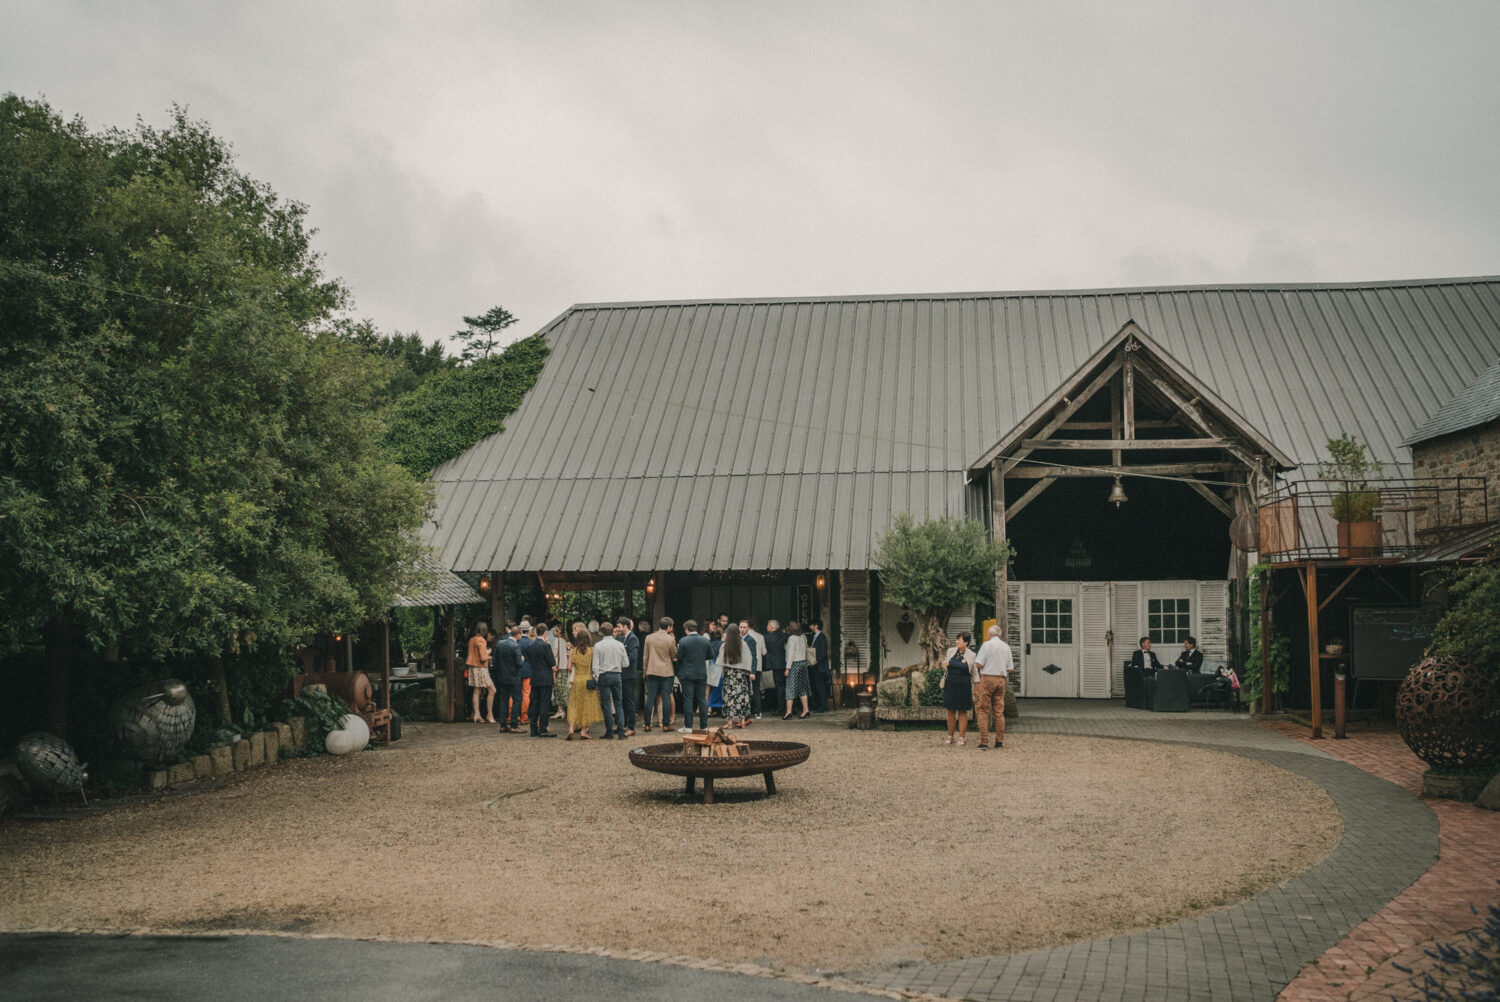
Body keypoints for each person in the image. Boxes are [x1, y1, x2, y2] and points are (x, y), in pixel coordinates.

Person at [974, 624, 1013, 750]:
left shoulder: (986, 645)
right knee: (999, 711)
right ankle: (999, 741)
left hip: (988, 678)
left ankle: (984, 741)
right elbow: (1010, 668)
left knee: (983, 710)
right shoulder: (1006, 647)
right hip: (1001, 679)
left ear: (990, 634)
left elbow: (979, 664)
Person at [593, 621, 630, 739]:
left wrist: (596, 677)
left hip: (604, 675)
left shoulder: (598, 646)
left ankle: (609, 731)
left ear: (601, 632)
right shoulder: (619, 645)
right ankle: (621, 731)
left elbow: (595, 665)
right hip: (616, 674)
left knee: (606, 704)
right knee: (619, 704)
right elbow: (626, 663)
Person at [565, 626, 603, 739]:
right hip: (588, 679)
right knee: (587, 706)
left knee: (574, 705)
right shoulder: (591, 651)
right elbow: (594, 666)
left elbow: (569, 667)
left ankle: (571, 728)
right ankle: (583, 731)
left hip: (576, 680)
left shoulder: (573, 651)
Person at [675, 619, 712, 731]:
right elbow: (710, 655)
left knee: (688, 700)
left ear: (686, 629)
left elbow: (679, 657)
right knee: (702, 700)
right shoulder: (705, 640)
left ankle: (688, 726)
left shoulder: (683, 641)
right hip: (701, 672)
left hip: (687, 673)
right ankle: (704, 726)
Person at [941, 633, 978, 745]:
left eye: (959, 640)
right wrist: (943, 664)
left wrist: (977, 687)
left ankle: (962, 737)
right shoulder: (951, 651)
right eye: (956, 639)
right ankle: (950, 735)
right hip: (951, 683)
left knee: (962, 711)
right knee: (950, 710)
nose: (957, 642)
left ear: (966, 642)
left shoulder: (971, 655)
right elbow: (945, 663)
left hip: (964, 684)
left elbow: (975, 672)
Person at [642, 616, 677, 732]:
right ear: (669, 627)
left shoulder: (649, 638)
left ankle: (647, 724)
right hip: (666, 671)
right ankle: (666, 724)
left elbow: (645, 656)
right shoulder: (670, 639)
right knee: (666, 696)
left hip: (652, 670)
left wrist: (644, 670)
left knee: (650, 697)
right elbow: (673, 656)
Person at [523, 625, 557, 737]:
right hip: (545, 677)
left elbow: (528, 660)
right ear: (545, 632)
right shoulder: (545, 646)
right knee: (544, 704)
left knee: (535, 703)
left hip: (535, 677)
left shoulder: (530, 645)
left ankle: (533, 728)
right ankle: (543, 728)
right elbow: (552, 662)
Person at [718, 622, 753, 728]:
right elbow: (748, 659)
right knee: (741, 697)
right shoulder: (743, 644)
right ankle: (742, 721)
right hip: (740, 675)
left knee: (729, 698)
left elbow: (721, 661)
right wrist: (748, 671)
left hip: (729, 674)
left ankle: (729, 722)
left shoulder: (725, 645)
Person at [492, 625, 526, 732]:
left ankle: (502, 725)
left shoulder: (500, 644)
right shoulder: (515, 646)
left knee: (503, 700)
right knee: (517, 699)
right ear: (519, 634)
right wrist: (522, 659)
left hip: (502, 676)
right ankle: (513, 725)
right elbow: (518, 663)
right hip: (514, 677)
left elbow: (495, 661)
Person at [465, 622, 496, 723]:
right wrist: (488, 653)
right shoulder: (482, 641)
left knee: (476, 691)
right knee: (492, 690)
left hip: (472, 667)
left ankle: (476, 714)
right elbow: (483, 658)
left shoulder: (471, 640)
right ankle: (489, 715)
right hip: (481, 668)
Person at [618, 616, 640, 737]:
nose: (618, 629)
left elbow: (633, 656)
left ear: (625, 626)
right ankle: (625, 724)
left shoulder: (633, 639)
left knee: (629, 700)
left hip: (628, 674)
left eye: (619, 627)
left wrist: (620, 661)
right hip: (622, 673)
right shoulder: (622, 638)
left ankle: (631, 726)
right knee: (623, 700)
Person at [783, 621, 811, 719]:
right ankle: (806, 709)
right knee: (802, 688)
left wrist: (787, 668)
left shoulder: (791, 638)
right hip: (803, 663)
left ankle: (788, 712)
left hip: (794, 664)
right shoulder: (803, 637)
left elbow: (791, 654)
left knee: (790, 687)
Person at [741, 619, 765, 719]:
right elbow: (764, 652)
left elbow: (752, 656)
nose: (742, 629)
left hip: (748, 667)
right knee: (756, 689)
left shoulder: (747, 639)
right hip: (756, 666)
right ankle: (757, 712)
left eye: (744, 627)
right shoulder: (760, 636)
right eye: (741, 627)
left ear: (749, 627)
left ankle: (750, 711)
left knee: (748, 689)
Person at [762, 619, 787, 713]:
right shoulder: (784, 636)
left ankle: (780, 708)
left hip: (774, 665)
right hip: (784, 664)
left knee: (778, 687)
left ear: (771, 627)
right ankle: (787, 706)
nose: (766, 627)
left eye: (767, 626)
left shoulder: (766, 638)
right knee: (784, 686)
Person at [808, 619, 830, 712]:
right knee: (815, 686)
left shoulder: (821, 636)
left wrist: (816, 661)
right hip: (814, 666)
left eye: (811, 625)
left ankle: (823, 706)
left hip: (820, 667)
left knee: (820, 687)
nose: (810, 627)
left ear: (816, 626)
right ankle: (816, 705)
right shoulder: (814, 636)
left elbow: (823, 653)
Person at [547, 623, 569, 719]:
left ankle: (560, 710)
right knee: (563, 689)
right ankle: (562, 710)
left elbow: (554, 653)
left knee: (558, 689)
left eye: (554, 630)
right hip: (564, 667)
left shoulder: (557, 640)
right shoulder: (565, 641)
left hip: (558, 667)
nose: (552, 632)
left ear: (558, 632)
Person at [706, 622, 724, 716]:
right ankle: (719, 707)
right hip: (719, 668)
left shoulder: (708, 643)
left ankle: (707, 709)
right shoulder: (722, 644)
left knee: (708, 687)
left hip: (710, 667)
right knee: (719, 688)